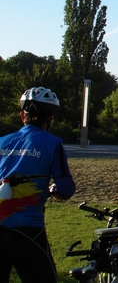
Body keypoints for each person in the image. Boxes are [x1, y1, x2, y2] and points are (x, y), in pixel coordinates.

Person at [0, 87, 76, 283]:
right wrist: (55, 191)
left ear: (22, 115)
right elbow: (66, 189)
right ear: (50, 118)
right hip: (26, 230)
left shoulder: (2, 142)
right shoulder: (52, 143)